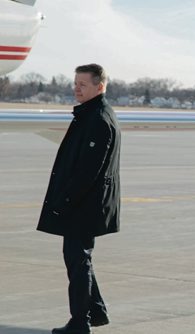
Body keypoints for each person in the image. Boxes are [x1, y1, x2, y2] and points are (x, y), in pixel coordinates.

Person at [37, 63, 121, 334]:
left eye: (83, 84)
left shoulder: (98, 118)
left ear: (100, 87)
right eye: (75, 84)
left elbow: (88, 172)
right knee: (79, 259)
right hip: (83, 205)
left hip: (84, 207)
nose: (77, 89)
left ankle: (80, 322)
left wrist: (64, 203)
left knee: (78, 261)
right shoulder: (89, 114)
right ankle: (94, 312)